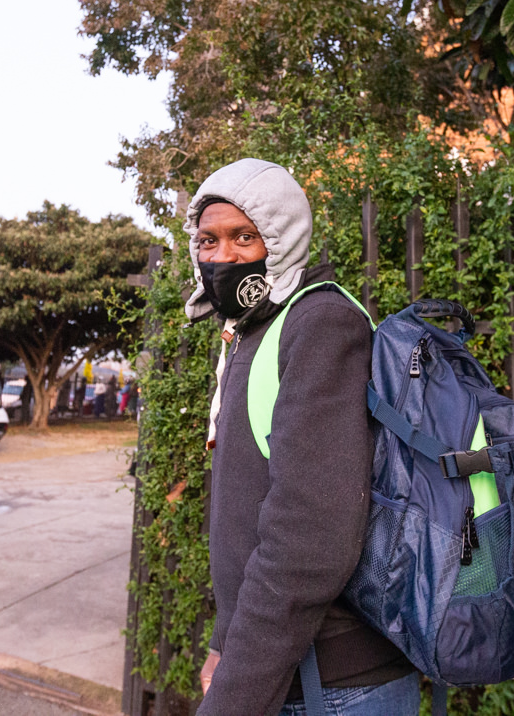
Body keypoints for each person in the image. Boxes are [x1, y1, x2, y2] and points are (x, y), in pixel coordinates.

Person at [186, 159, 419, 715]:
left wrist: (234, 695)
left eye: (245, 236)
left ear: (282, 236)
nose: (223, 257)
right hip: (287, 674)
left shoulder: (320, 322)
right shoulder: (252, 332)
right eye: (208, 240)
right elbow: (249, 511)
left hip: (337, 686)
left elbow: (311, 538)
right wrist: (224, 644)